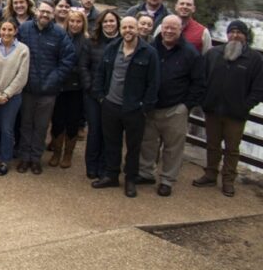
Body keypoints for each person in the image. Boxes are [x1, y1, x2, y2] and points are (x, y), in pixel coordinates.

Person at [193, 20, 263, 197]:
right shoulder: (214, 54)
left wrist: (245, 106)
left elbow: (258, 89)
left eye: (239, 32)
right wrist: (204, 100)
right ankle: (210, 174)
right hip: (213, 110)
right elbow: (201, 79)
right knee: (212, 145)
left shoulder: (255, 59)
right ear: (227, 34)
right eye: (232, 32)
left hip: (236, 114)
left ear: (245, 36)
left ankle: (228, 180)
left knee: (232, 149)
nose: (235, 35)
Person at [92, 16, 160, 197]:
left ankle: (130, 179)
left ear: (137, 29)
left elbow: (153, 83)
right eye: (124, 27)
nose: (128, 31)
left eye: (131, 27)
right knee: (111, 143)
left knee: (133, 146)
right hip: (111, 105)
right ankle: (111, 175)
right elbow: (100, 74)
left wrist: (145, 106)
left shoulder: (149, 52)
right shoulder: (112, 48)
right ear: (120, 30)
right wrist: (100, 97)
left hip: (134, 109)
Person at [139, 15, 205, 196]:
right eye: (166, 27)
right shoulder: (149, 48)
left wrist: (186, 105)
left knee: (173, 147)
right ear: (161, 28)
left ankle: (167, 180)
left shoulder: (190, 53)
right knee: (147, 143)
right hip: (151, 106)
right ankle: (145, 173)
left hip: (175, 108)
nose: (168, 31)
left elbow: (199, 82)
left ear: (180, 30)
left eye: (173, 28)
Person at [16, 0, 76, 174]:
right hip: (27, 88)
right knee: (26, 124)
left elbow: (68, 59)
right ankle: (24, 157)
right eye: (42, 11)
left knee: (41, 126)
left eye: (49, 13)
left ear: (53, 15)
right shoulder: (25, 29)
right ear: (36, 11)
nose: (45, 15)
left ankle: (35, 158)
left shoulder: (59, 33)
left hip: (48, 91)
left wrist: (54, 79)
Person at [0, 20, 30, 176]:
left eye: (10, 29)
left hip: (13, 97)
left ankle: (4, 160)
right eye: (3, 29)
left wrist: (7, 94)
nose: (6, 32)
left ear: (15, 31)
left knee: (7, 129)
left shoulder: (23, 50)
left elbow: (22, 76)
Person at [49, 9, 91, 169]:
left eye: (78, 21)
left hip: (77, 88)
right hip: (60, 86)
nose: (74, 24)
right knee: (57, 120)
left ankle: (68, 154)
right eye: (72, 21)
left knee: (73, 122)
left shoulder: (87, 41)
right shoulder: (61, 37)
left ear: (83, 23)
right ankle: (56, 152)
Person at [83, 10, 121, 179]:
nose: (109, 24)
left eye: (112, 21)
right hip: (93, 94)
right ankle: (91, 165)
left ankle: (106, 165)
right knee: (95, 130)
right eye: (105, 21)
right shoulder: (92, 42)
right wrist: (91, 88)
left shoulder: (123, 43)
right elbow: (83, 67)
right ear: (100, 23)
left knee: (110, 132)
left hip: (114, 96)